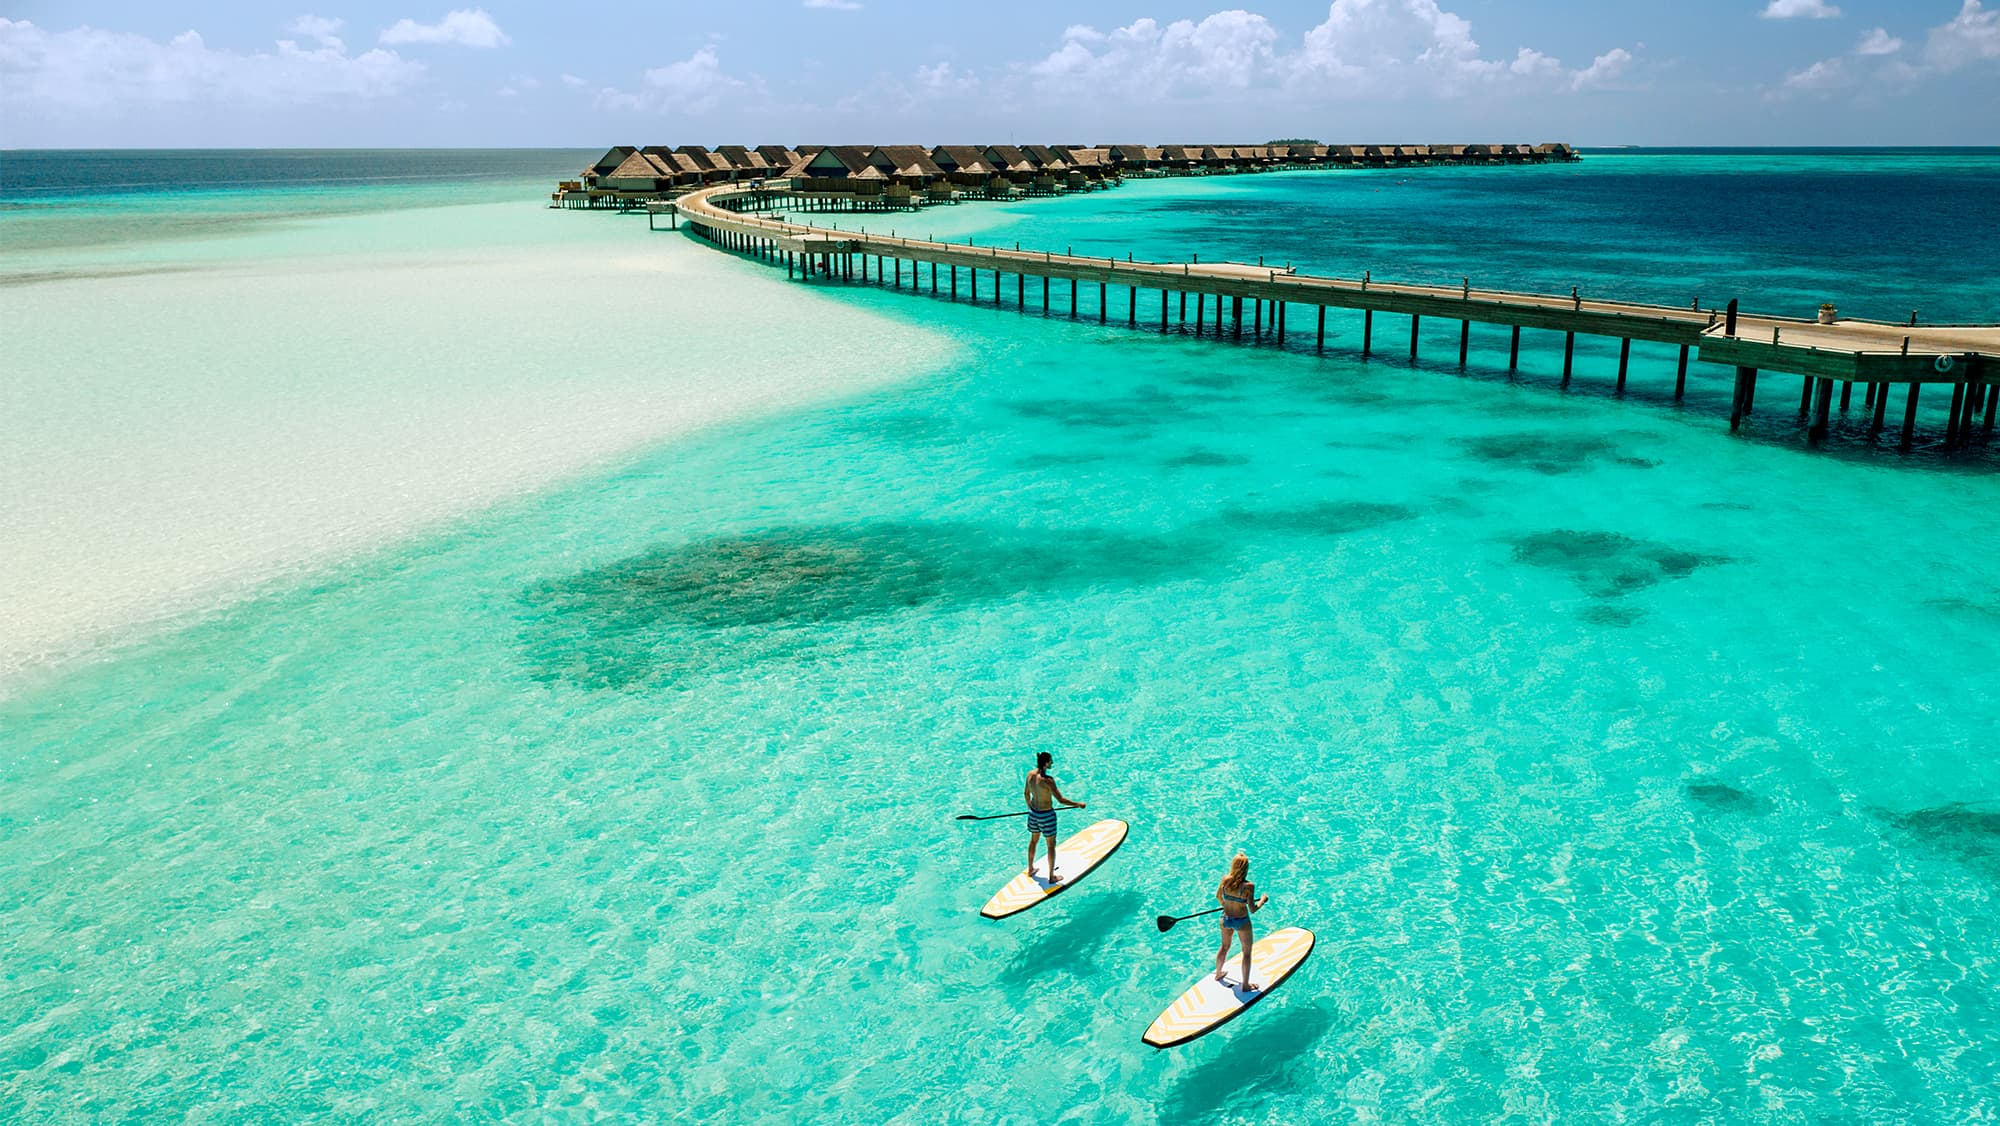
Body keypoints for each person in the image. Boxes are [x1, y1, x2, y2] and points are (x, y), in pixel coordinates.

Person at [1024, 751, 1085, 883]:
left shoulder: (1029, 775)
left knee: (1034, 840)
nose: (1052, 763)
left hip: (1034, 814)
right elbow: (1061, 800)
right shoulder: (1048, 781)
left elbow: (1026, 794)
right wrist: (1077, 804)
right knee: (1051, 845)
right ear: (1046, 763)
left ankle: (1030, 868)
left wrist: (1030, 808)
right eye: (1050, 761)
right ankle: (1051, 876)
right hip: (1046, 816)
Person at [1214, 852, 1270, 990]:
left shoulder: (1225, 879)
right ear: (1246, 868)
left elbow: (1219, 897)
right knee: (1246, 952)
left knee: (1224, 947)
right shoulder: (1249, 886)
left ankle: (1218, 973)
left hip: (1225, 918)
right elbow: (1252, 909)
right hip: (1241, 921)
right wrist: (1262, 900)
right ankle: (1245, 985)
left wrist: (1228, 905)